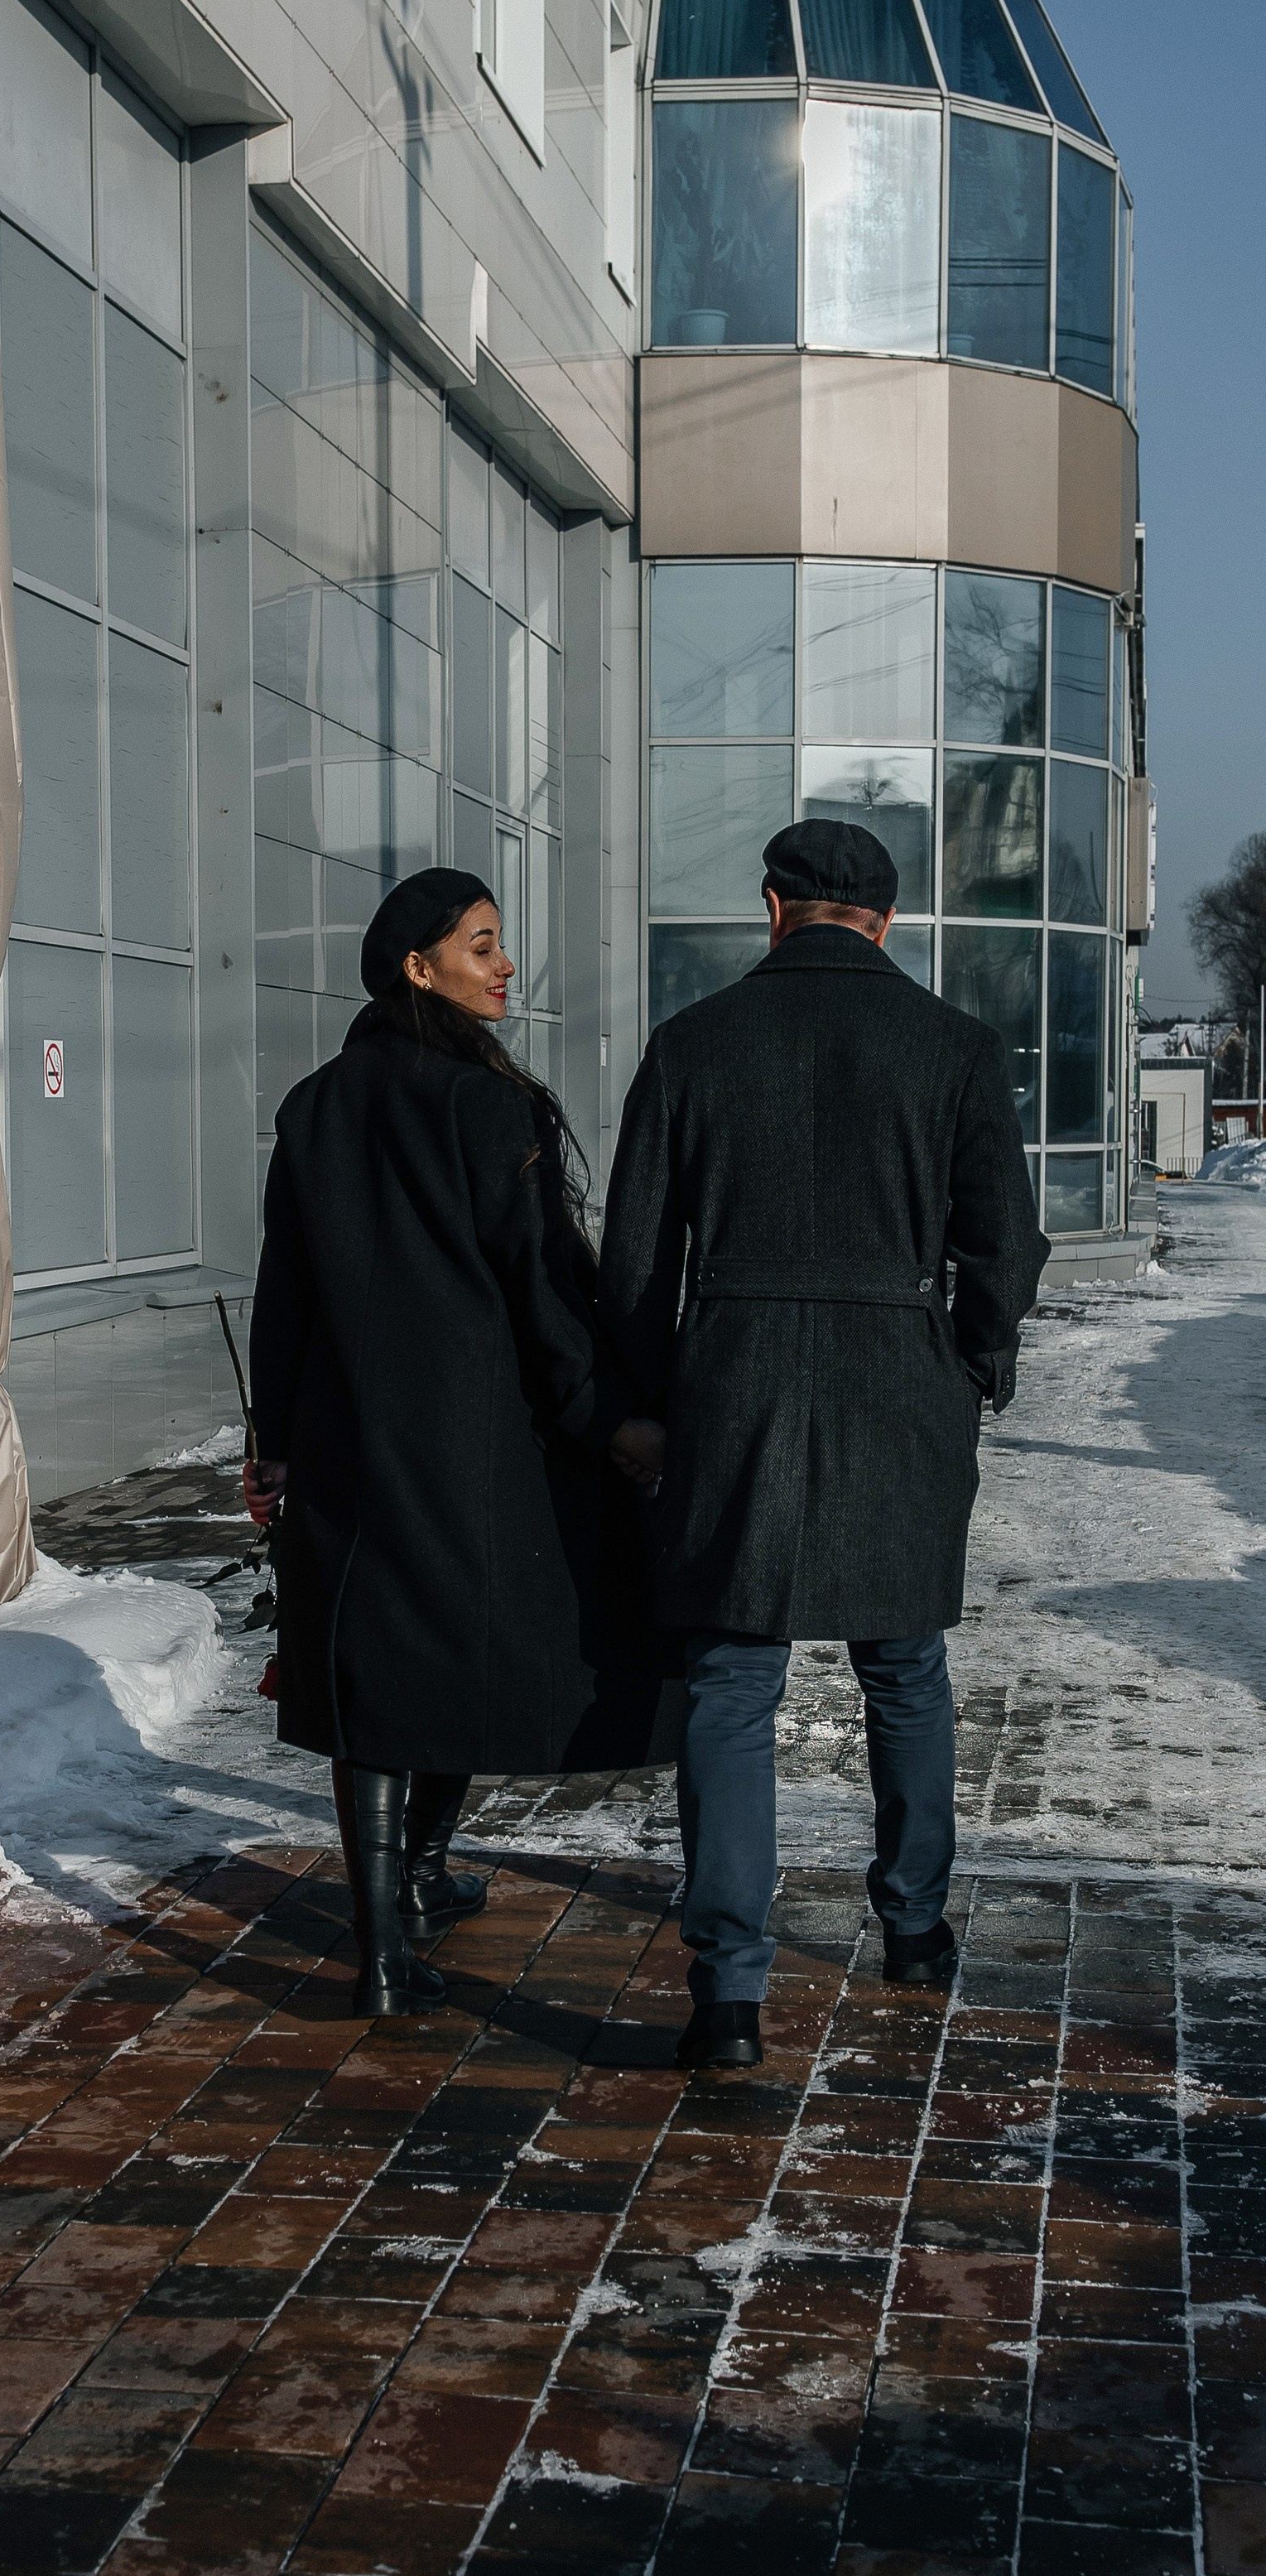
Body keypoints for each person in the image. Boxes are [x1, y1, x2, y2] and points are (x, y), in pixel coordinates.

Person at [599, 817, 1047, 2068]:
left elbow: (636, 1259)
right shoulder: (956, 1047)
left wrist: (650, 1402)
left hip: (734, 1382)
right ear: (888, 920)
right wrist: (970, 1365)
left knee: (732, 1682)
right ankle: (914, 1930)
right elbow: (1004, 1246)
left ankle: (728, 1994)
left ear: (772, 906)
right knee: (903, 1670)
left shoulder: (692, 1042)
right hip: (901, 1381)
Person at [244, 869, 669, 2016]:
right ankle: (415, 1884)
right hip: (477, 1435)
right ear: (417, 968)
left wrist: (274, 1441)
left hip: (347, 1432)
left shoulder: (314, 1105)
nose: (505, 965)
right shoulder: (487, 1103)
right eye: (481, 946)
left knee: (378, 1669)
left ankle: (391, 1933)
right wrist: (603, 1415)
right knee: (464, 1649)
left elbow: (284, 1293)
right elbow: (543, 1288)